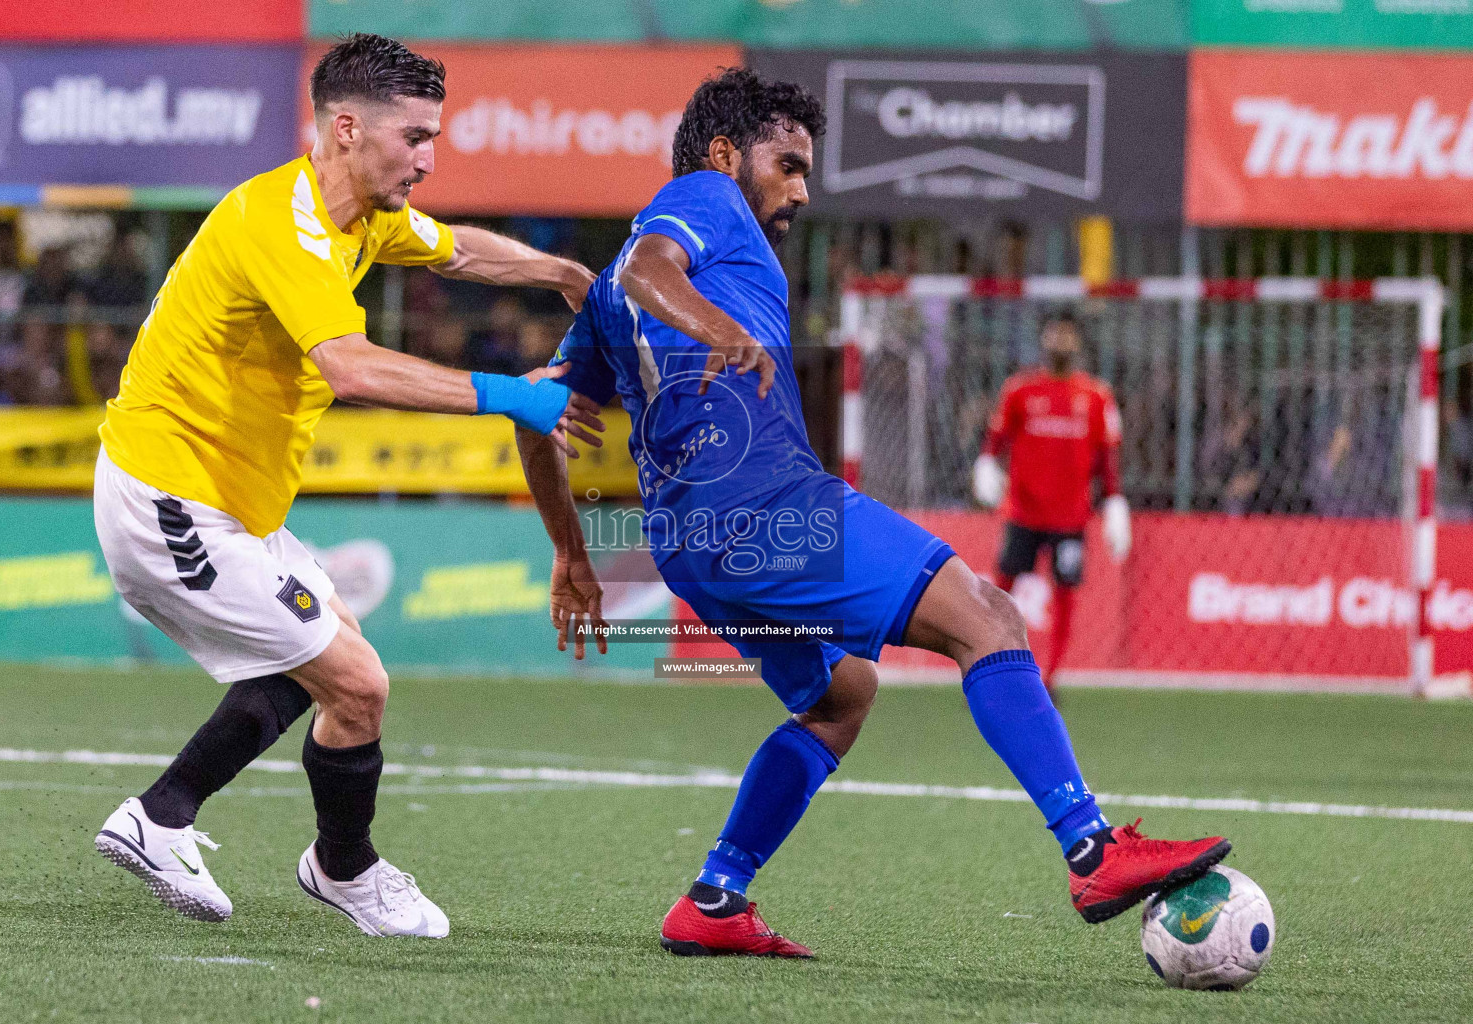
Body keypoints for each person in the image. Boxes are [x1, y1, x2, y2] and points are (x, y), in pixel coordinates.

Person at [514, 68, 1229, 958]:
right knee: (989, 618)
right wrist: (716, 328)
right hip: (767, 508)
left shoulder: (605, 289)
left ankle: (715, 899)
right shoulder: (700, 200)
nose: (801, 189)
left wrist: (570, 557)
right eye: (788, 164)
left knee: (841, 696)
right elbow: (662, 270)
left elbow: (534, 415)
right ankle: (1091, 848)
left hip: (688, 549)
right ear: (726, 154)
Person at [90, 34, 605, 939]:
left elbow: (455, 254)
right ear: (346, 126)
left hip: (229, 504)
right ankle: (346, 872)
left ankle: (163, 815)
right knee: (358, 685)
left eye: (433, 136)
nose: (428, 158)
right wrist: (513, 396)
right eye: (413, 137)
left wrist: (561, 273)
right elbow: (352, 368)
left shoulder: (362, 217)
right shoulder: (280, 224)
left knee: (330, 649)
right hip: (169, 496)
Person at [971, 313, 1130, 696]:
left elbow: (1107, 463)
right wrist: (986, 468)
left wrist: (1115, 505)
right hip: (1024, 513)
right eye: (1054, 332)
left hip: (1070, 518)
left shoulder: (1096, 397)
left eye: (1068, 333)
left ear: (1078, 342)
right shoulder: (1020, 391)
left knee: (1064, 597)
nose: (1060, 339)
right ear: (1042, 339)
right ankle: (985, 668)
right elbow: (994, 444)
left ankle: (1049, 678)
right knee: (1001, 592)